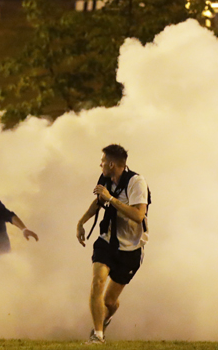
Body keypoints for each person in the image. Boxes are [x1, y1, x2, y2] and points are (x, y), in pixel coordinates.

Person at [76, 144, 150, 344]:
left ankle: (105, 318)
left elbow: (138, 215)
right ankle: (98, 336)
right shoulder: (105, 179)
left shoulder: (136, 182)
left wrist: (112, 199)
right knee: (97, 281)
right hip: (107, 241)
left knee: (109, 301)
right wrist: (81, 222)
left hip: (130, 249)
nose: (99, 165)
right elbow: (99, 202)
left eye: (102, 162)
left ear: (111, 164)